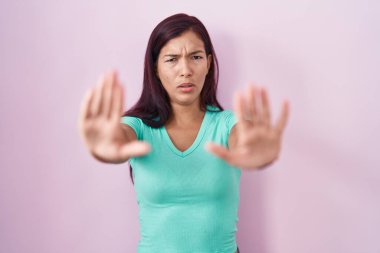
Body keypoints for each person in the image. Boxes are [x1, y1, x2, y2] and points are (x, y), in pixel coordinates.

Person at [78, 13, 289, 253]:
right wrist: (104, 148)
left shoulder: (227, 124)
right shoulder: (138, 126)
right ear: (155, 67)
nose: (185, 70)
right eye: (172, 59)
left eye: (195, 57)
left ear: (208, 63)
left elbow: (242, 138)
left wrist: (256, 150)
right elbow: (118, 139)